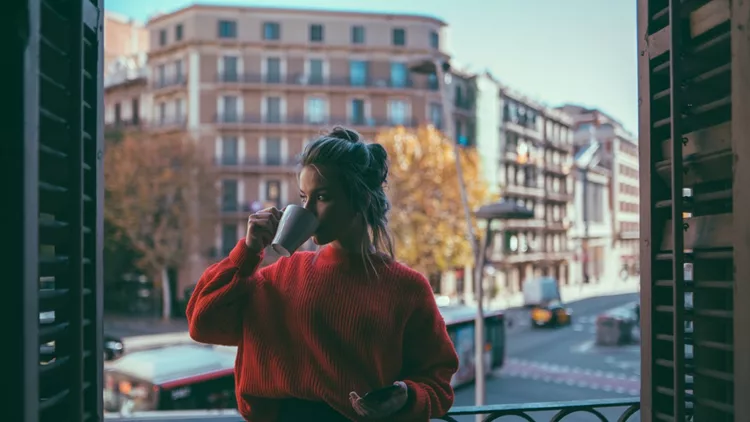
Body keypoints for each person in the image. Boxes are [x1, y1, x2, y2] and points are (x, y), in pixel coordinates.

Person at [186, 127, 459, 422]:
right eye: (304, 197)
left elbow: (438, 383)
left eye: (322, 197)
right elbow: (202, 323)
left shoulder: (407, 288)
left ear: (361, 200)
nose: (308, 210)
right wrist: (248, 252)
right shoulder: (279, 275)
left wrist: (405, 396)